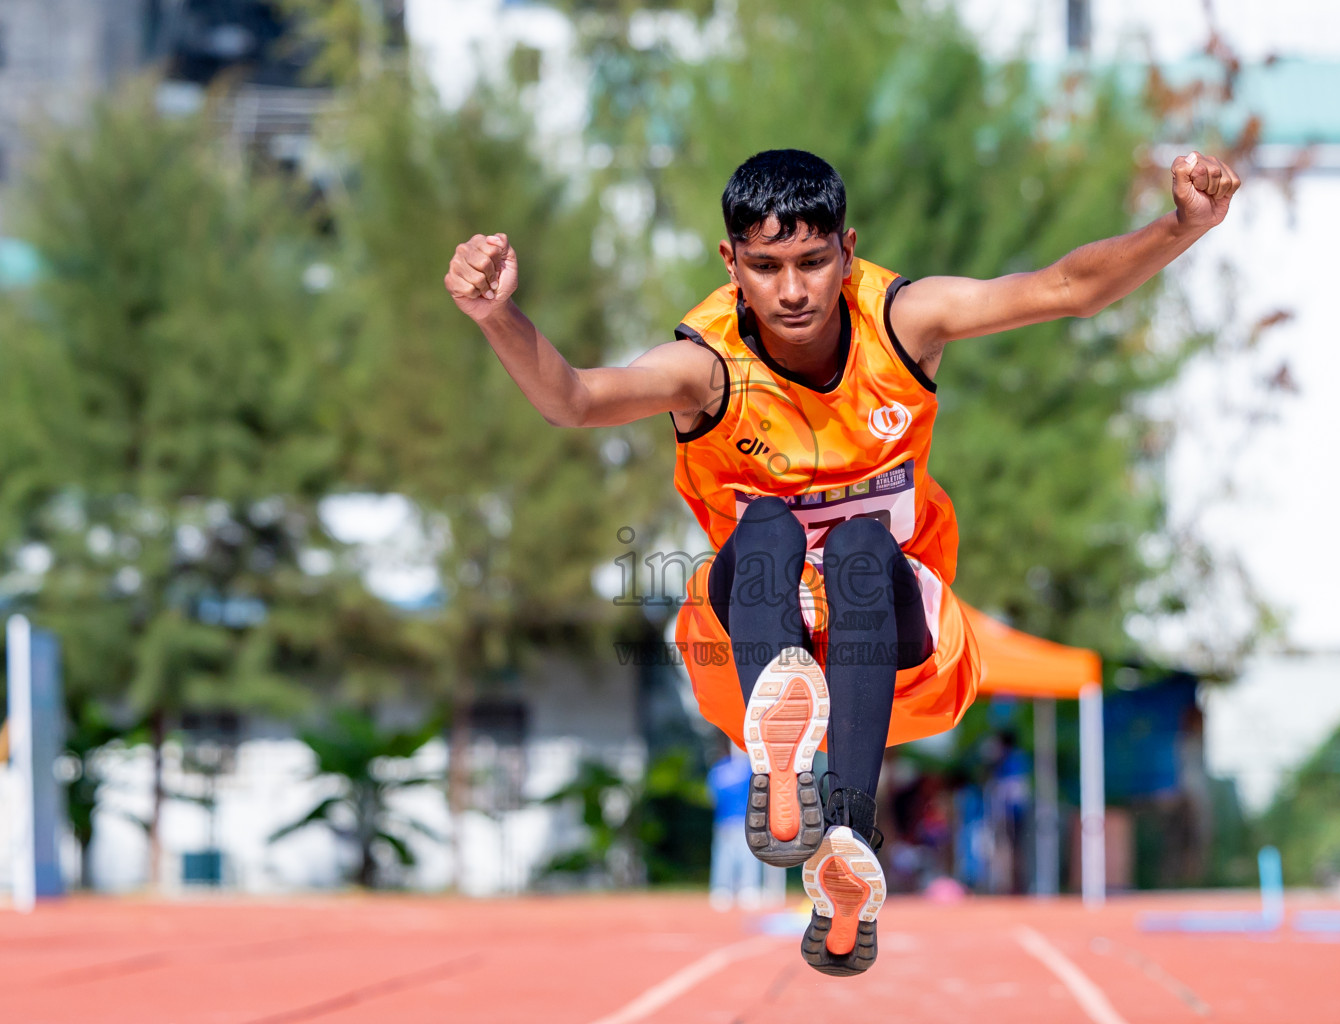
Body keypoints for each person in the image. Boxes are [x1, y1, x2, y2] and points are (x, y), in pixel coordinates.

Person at [443, 146, 1240, 975]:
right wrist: (498, 315)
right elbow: (574, 399)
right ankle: (814, 789)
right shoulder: (706, 366)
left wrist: (1182, 226)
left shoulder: (902, 321)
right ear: (732, 263)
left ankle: (847, 832)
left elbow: (1068, 289)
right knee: (770, 532)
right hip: (750, 635)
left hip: (900, 653)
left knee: (861, 545)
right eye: (767, 266)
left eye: (814, 263)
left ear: (847, 251)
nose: (792, 291)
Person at [706, 745, 763, 909]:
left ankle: (737, 889)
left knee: (735, 857)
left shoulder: (721, 770)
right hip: (734, 821)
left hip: (738, 821)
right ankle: (728, 889)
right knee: (729, 857)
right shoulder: (747, 770)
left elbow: (713, 796)